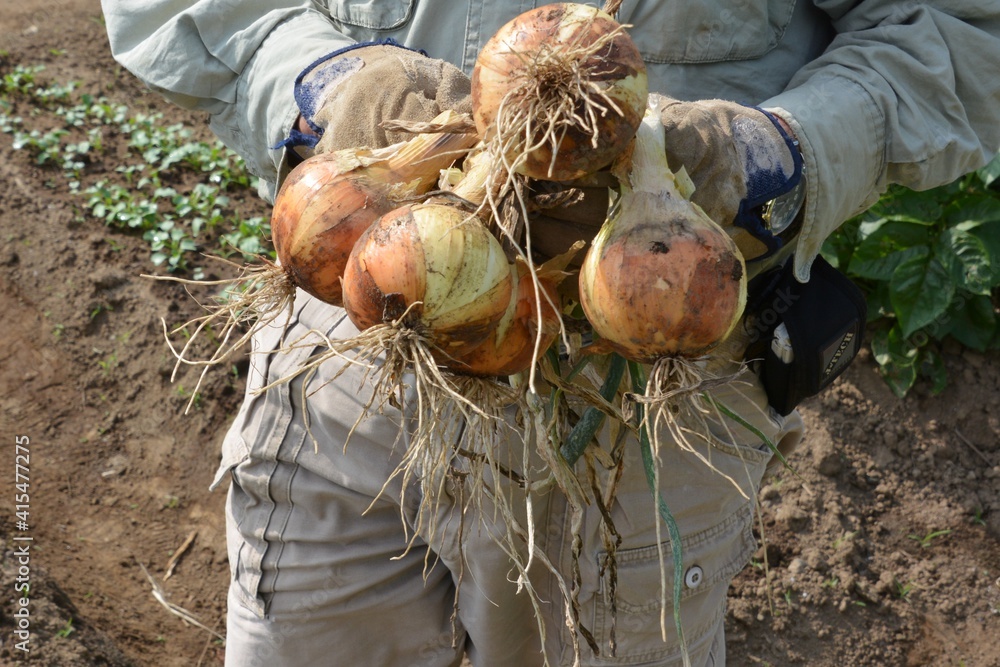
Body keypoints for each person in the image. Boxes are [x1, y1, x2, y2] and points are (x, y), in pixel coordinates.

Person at [101, 1, 1000, 665]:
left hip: (651, 390)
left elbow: (962, 27)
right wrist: (327, 85)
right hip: (358, 336)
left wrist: (786, 154)